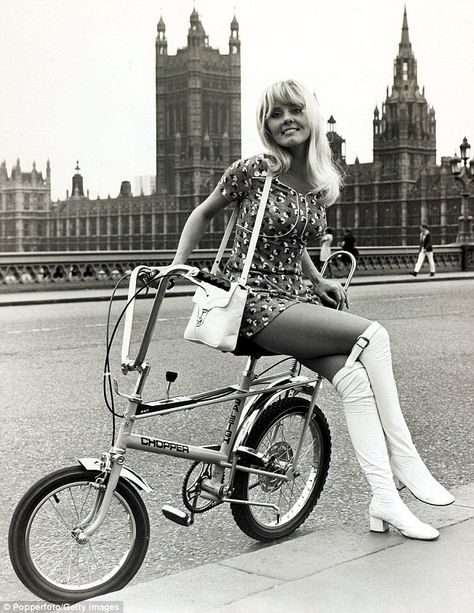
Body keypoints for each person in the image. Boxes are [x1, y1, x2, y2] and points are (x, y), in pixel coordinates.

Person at [172, 79, 453, 540]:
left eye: (294, 110)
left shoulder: (320, 184)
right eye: (275, 113)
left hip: (293, 300)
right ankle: (408, 460)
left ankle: (384, 500)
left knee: (356, 383)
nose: (285, 120)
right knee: (374, 336)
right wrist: (177, 269)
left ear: (311, 117)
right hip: (254, 304)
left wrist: (316, 277)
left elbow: (291, 241)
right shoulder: (252, 171)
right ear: (265, 124)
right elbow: (202, 213)